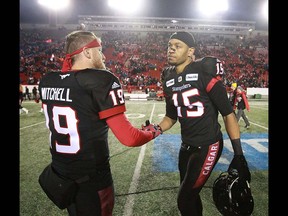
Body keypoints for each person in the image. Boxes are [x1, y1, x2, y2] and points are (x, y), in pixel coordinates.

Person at [38, 30, 162, 216]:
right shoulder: (101, 80)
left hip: (61, 177)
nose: (103, 56)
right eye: (99, 50)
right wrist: (153, 131)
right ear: (87, 52)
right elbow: (129, 138)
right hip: (91, 181)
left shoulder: (48, 81)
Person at [153, 31, 251, 216]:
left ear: (191, 51)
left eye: (177, 46)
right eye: (169, 45)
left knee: (184, 199)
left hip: (208, 145)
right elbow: (170, 117)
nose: (171, 49)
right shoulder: (169, 79)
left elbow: (228, 114)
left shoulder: (204, 73)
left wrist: (238, 154)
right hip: (186, 146)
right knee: (191, 196)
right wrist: (155, 129)